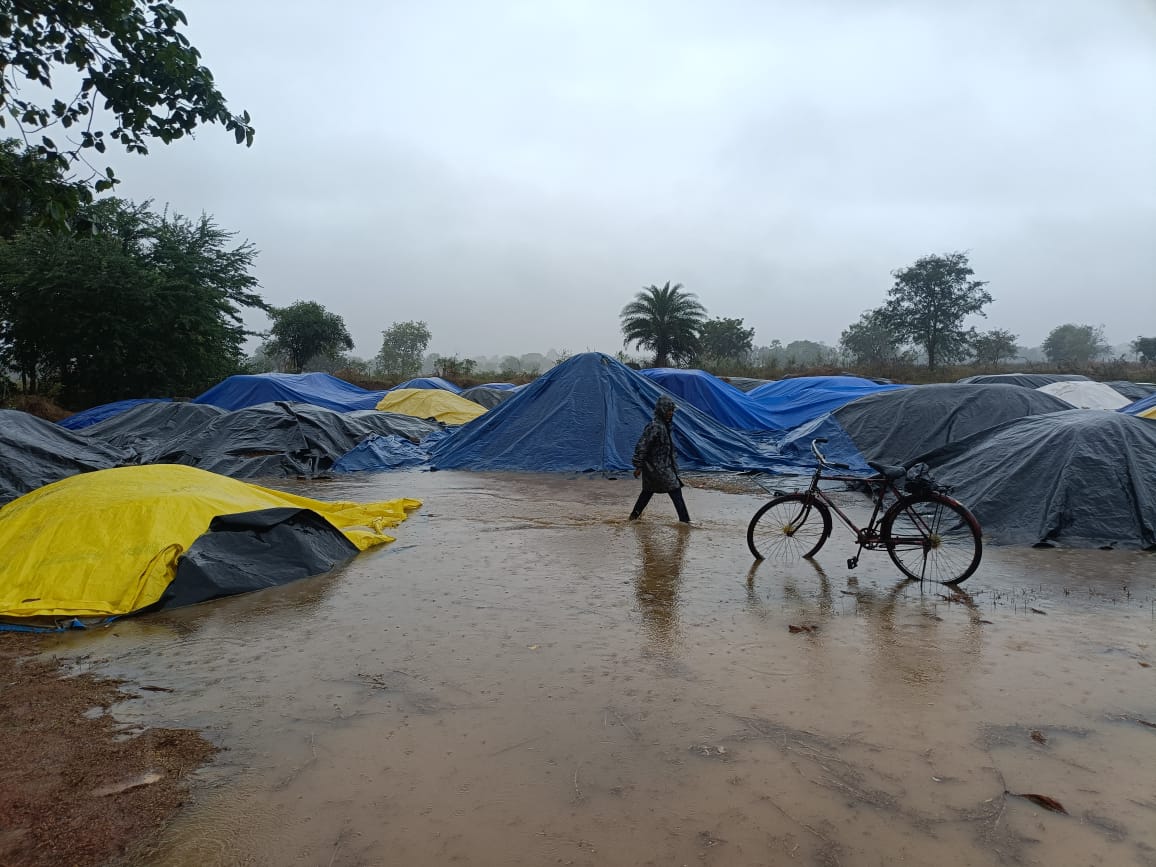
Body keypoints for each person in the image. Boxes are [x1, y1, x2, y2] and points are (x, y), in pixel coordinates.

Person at [629, 394, 691, 523]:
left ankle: (633, 518)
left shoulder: (665, 426)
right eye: (669, 410)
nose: (671, 413)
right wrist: (638, 465)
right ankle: (685, 522)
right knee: (675, 490)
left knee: (647, 492)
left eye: (672, 411)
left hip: (662, 467)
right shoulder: (655, 427)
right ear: (662, 410)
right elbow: (642, 446)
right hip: (657, 468)